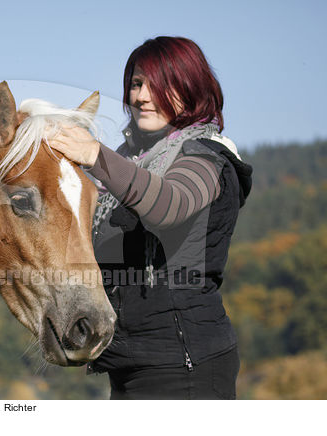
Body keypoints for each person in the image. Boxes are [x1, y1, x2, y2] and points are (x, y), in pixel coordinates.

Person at [49, 36, 253, 399]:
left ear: (191, 88)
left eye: (158, 84)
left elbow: (169, 205)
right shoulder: (128, 168)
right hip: (128, 364)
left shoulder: (206, 156)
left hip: (184, 365)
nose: (141, 96)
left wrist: (96, 154)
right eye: (135, 83)